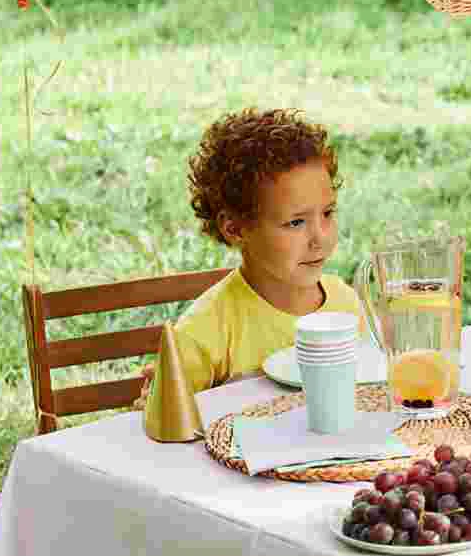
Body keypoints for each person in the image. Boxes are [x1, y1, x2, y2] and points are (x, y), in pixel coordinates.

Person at [141, 108, 362, 416]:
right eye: (296, 222)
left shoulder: (346, 304)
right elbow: (164, 420)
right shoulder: (205, 330)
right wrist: (158, 400)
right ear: (235, 229)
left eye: (327, 214)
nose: (320, 238)